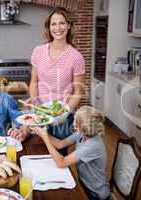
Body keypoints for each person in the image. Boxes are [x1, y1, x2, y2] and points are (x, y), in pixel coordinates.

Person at [27, 7, 86, 140]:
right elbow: (34, 82)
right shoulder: (38, 51)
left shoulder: (76, 57)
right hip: (40, 112)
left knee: (59, 154)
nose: (57, 28)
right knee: (37, 149)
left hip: (63, 117)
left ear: (69, 25)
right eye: (53, 24)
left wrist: (63, 112)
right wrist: (35, 104)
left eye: (62, 23)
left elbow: (78, 92)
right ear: (49, 27)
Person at [32, 106, 110, 200]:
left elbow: (61, 162)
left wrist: (45, 138)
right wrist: (41, 133)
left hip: (95, 194)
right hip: (84, 185)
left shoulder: (92, 145)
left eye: (75, 120)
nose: (73, 122)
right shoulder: (82, 134)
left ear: (82, 127)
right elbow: (60, 144)